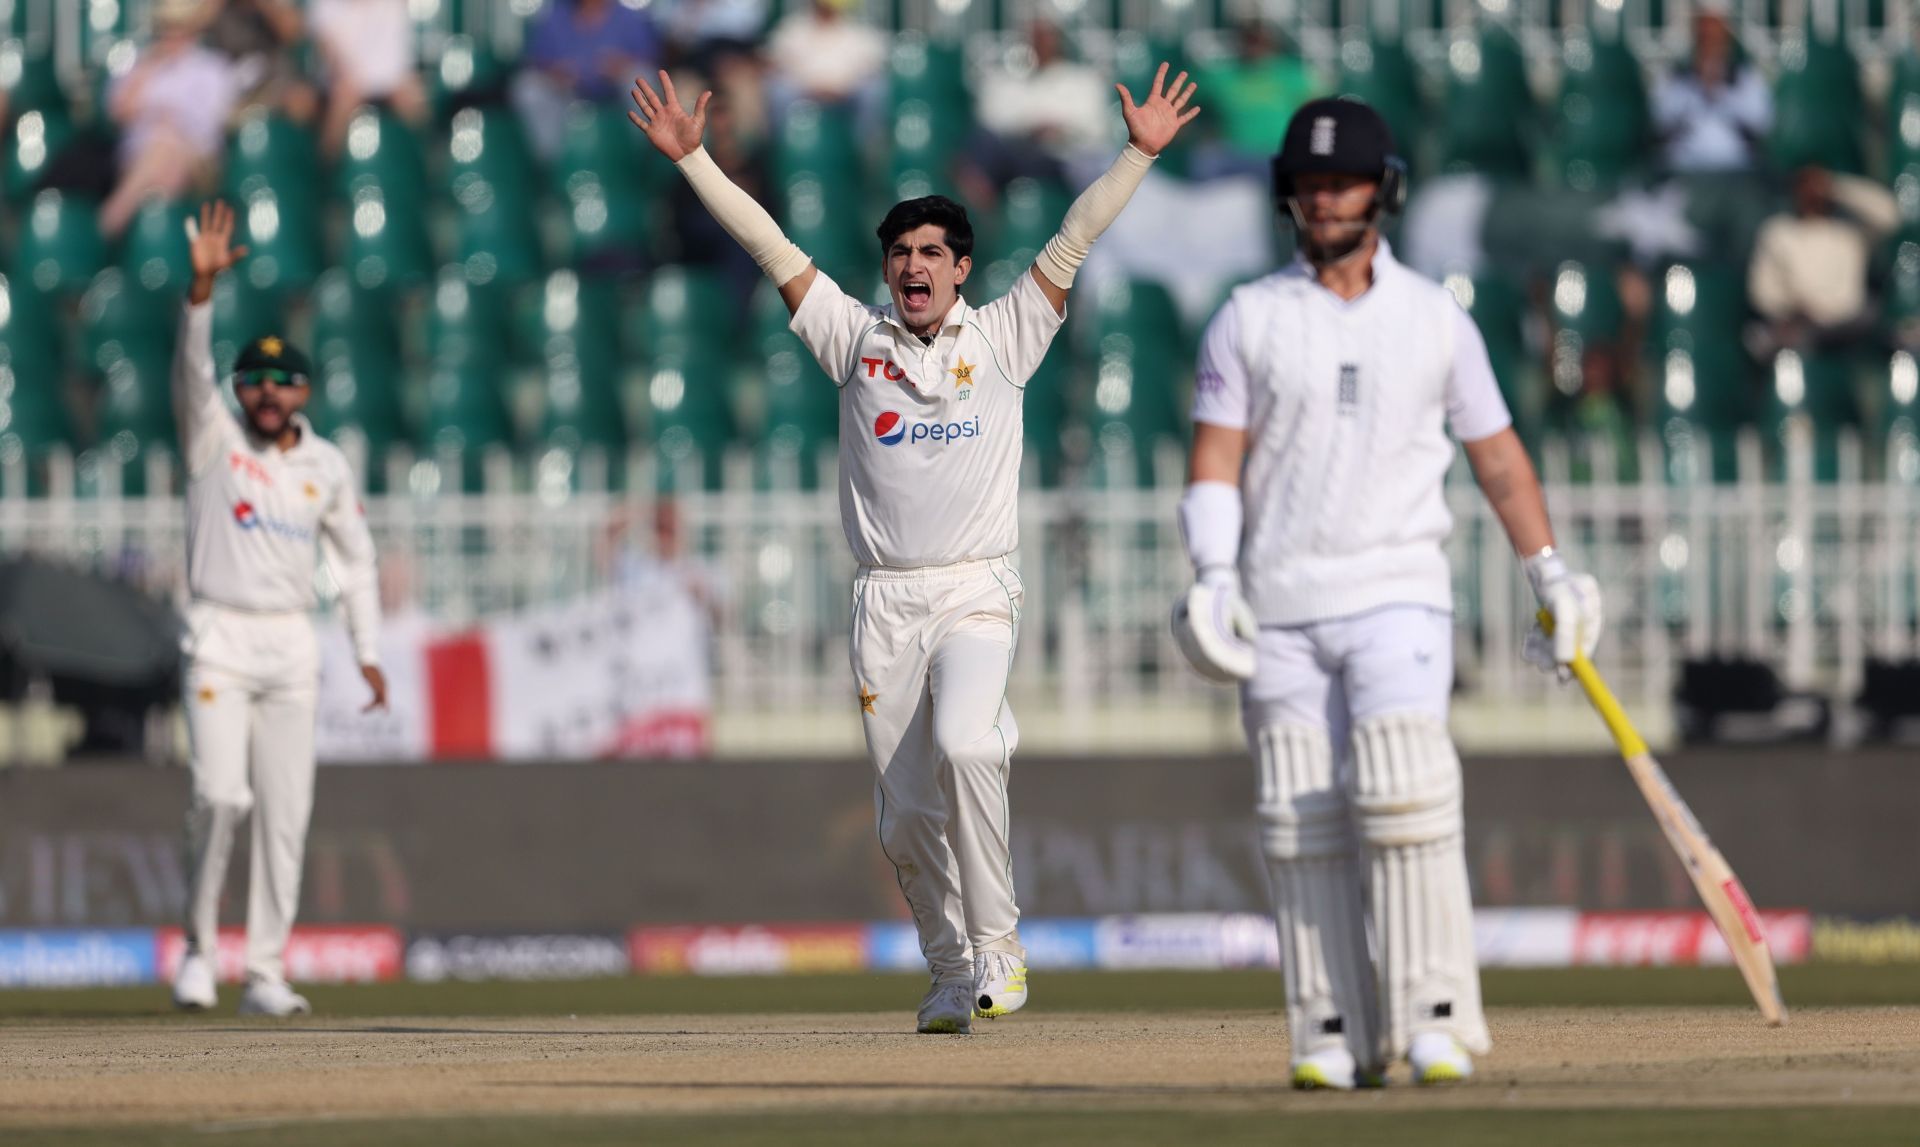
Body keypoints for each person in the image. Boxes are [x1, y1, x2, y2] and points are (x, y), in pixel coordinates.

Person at [630, 65, 1199, 1033]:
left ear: (962, 267)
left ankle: (1001, 947)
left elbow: (1078, 235)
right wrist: (695, 163)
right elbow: (771, 247)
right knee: (904, 820)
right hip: (883, 600)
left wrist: (1138, 152)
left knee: (969, 742)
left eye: (932, 251)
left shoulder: (1010, 334)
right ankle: (947, 969)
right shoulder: (857, 341)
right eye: (899, 252)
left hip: (976, 589)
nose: (914, 266)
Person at [1170, 98, 1602, 1089]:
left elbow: (1499, 460)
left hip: (1399, 592)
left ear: (1384, 190)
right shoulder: (1250, 316)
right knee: (1299, 816)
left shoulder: (1435, 318)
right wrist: (1213, 576)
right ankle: (1329, 1028)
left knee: (1407, 789)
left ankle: (1435, 1015)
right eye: (1310, 184)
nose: (1324, 200)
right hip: (1278, 603)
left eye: (1343, 182)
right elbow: (1213, 463)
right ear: (1287, 194)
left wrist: (1550, 573)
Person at [169, 201, 388, 1017]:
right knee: (220, 797)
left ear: (302, 389)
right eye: (252, 381)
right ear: (239, 390)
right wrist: (199, 294)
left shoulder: (326, 465)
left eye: (280, 381)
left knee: (286, 814)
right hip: (220, 636)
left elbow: (356, 561)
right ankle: (197, 948)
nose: (265, 392)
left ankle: (263, 970)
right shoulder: (213, 441)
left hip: (292, 644)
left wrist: (367, 650)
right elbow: (190, 376)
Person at [101, 0, 240, 237]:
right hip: (139, 157)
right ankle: (152, 243)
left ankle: (112, 222)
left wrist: (169, 121)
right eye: (165, 27)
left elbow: (210, 126)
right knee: (162, 162)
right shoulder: (140, 66)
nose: (171, 34)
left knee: (166, 150)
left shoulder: (211, 69)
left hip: (194, 158)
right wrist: (147, 71)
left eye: (178, 27)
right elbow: (117, 111)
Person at [1749, 165, 1901, 354]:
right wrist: (1791, 307)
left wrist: (1838, 187)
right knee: (1766, 338)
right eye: (1805, 184)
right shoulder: (1778, 231)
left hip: (1846, 325)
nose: (1811, 190)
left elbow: (1889, 215)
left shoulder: (1849, 233)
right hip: (1797, 321)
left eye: (1817, 184)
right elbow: (1763, 292)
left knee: (1873, 314)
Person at [512, 0, 664, 162]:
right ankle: (550, 165)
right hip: (567, 94)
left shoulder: (630, 17)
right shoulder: (554, 16)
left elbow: (650, 60)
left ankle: (645, 157)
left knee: (641, 78)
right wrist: (557, 73)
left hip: (615, 95)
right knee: (528, 87)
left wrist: (621, 65)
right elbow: (536, 62)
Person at [1651, 4, 1771, 174]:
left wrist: (1721, 92)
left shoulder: (1747, 79)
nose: (1710, 44)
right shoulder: (1673, 78)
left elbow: (1761, 127)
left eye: (1717, 37)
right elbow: (1660, 126)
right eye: (1704, 37)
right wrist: (1698, 89)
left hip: (1738, 174)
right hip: (1684, 173)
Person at [307, 0, 426, 157]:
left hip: (394, 79)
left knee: (414, 101)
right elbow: (333, 57)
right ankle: (328, 168)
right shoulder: (324, 5)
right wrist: (353, 82)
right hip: (346, 81)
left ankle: (423, 167)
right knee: (343, 98)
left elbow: (399, 66)